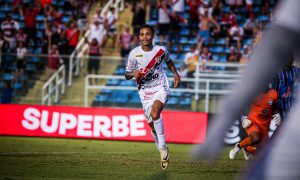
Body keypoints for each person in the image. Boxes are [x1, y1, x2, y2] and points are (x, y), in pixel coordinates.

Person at [192, 0, 300, 179]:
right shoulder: (276, 74)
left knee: (264, 150)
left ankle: (243, 148)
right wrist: (237, 115)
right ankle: (241, 147)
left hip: (282, 115)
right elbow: (273, 52)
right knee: (265, 151)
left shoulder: (293, 71)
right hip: (276, 114)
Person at [125, 24, 181, 170]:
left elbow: (168, 61)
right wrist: (132, 74)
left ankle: (163, 148)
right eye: (142, 34)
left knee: (155, 114)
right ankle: (161, 148)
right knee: (151, 124)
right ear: (139, 37)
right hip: (144, 93)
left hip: (160, 88)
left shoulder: (161, 51)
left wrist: (175, 74)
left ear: (153, 36)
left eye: (148, 34)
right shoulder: (133, 54)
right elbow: (126, 74)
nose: (145, 37)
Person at [229, 88, 281, 160]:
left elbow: (274, 106)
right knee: (256, 138)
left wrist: (277, 113)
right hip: (252, 121)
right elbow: (243, 105)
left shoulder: (273, 93)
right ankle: (238, 147)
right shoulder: (253, 92)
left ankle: (247, 149)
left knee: (263, 153)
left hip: (264, 125)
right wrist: (244, 117)